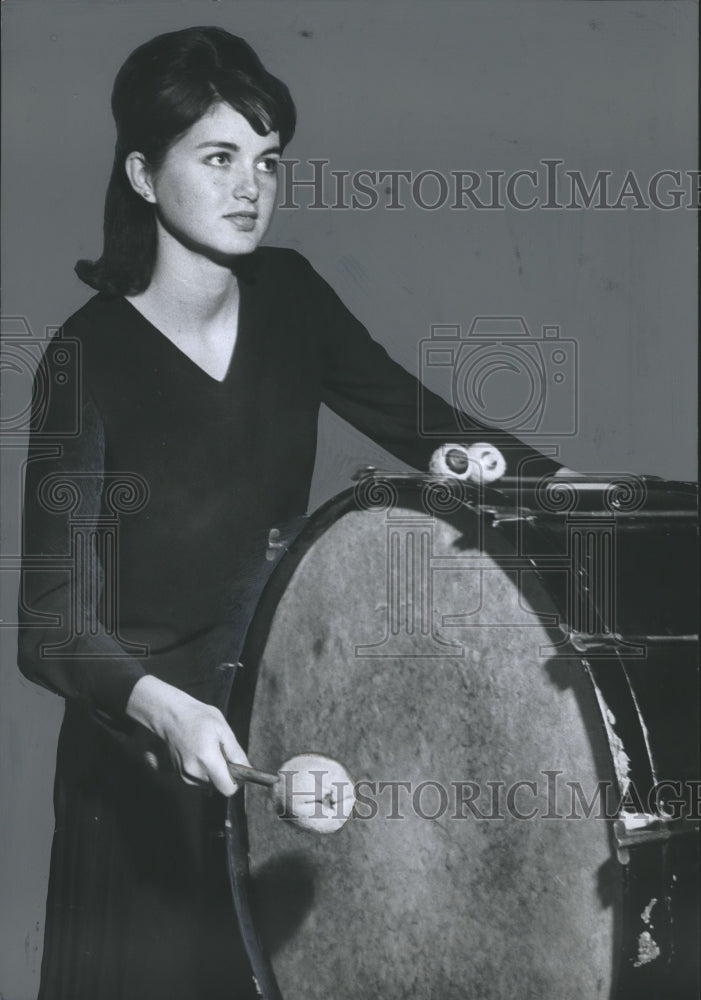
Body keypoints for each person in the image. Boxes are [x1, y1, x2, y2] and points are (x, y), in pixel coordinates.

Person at [17, 26, 564, 1000]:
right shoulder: (83, 356)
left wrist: (499, 467)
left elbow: (428, 425)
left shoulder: (292, 296)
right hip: (139, 761)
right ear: (143, 175)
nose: (250, 187)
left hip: (281, 732)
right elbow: (49, 624)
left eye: (268, 162)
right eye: (218, 157)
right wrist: (161, 709)